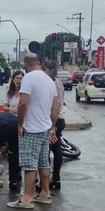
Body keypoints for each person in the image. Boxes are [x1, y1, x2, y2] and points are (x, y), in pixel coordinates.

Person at [7, 53, 59, 209]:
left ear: (25, 64)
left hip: (32, 128)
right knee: (43, 162)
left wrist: (20, 125)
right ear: (39, 63)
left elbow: (23, 104)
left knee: (29, 164)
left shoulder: (28, 78)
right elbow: (55, 107)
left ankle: (27, 198)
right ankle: (45, 194)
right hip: (44, 128)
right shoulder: (49, 81)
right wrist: (52, 127)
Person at [41, 59, 65, 190]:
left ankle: (47, 181)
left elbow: (54, 107)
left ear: (49, 70)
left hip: (53, 120)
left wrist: (52, 126)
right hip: (58, 119)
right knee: (56, 149)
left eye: (44, 69)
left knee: (47, 151)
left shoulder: (51, 84)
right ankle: (55, 178)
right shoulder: (58, 82)